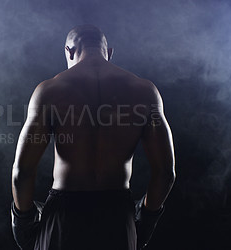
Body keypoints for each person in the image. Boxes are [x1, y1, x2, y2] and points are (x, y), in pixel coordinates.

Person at [11, 24, 175, 250]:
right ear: (109, 52)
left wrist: (22, 222)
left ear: (68, 51)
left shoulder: (50, 91)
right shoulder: (145, 91)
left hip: (64, 214)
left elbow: (23, 172)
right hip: (117, 214)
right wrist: (146, 221)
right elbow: (165, 173)